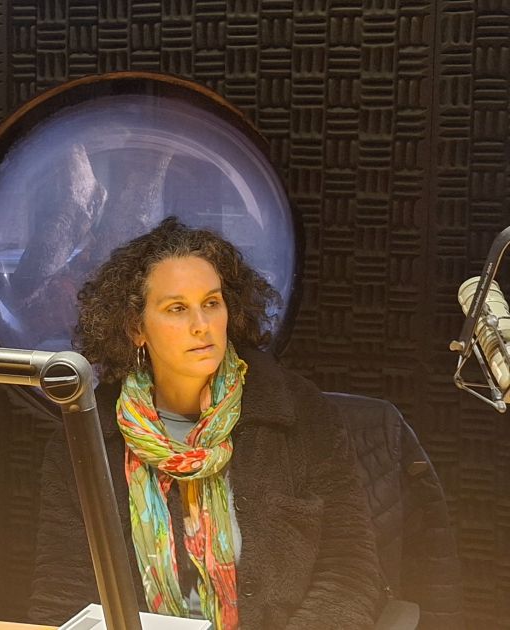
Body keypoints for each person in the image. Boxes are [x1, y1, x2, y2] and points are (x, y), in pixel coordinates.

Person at [28, 218, 384, 629]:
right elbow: (62, 594)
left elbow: (349, 573)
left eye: (212, 303)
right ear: (136, 328)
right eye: (177, 309)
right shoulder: (88, 436)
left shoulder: (300, 413)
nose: (202, 324)